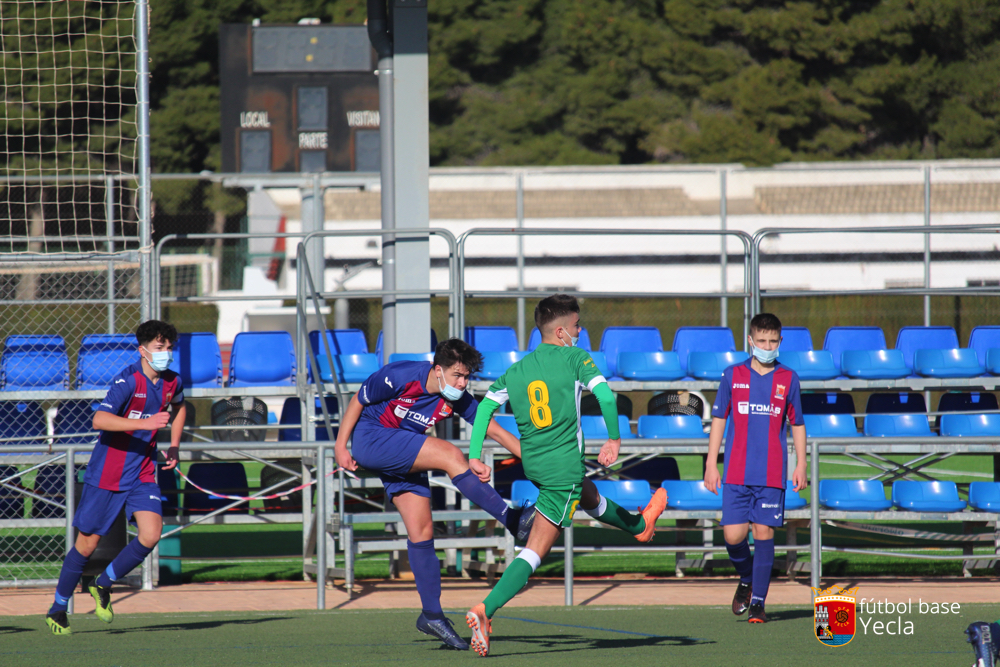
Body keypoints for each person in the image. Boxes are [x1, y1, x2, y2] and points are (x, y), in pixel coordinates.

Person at [463, 294, 667, 657]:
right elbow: (606, 397)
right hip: (562, 469)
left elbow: (484, 411)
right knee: (536, 550)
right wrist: (615, 438)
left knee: (588, 495)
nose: (580, 331)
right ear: (561, 332)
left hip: (537, 466)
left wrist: (476, 455)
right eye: (576, 326)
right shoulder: (576, 358)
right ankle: (485, 609)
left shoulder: (517, 370)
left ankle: (639, 526)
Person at [334, 338, 534, 651]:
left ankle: (431, 615)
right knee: (451, 455)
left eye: (467, 377)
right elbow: (359, 399)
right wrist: (340, 446)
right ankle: (511, 519)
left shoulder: (455, 395)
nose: (463, 383)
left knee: (422, 532)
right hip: (372, 439)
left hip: (403, 449)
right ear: (437, 370)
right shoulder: (401, 375)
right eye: (458, 375)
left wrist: (528, 456)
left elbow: (489, 425)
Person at [46, 320, 185, 635]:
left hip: (143, 470)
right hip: (108, 472)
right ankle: (57, 610)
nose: (166, 353)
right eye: (159, 348)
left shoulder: (172, 381)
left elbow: (180, 407)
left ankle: (103, 583)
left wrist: (174, 445)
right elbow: (99, 419)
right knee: (86, 545)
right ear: (143, 350)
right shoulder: (128, 380)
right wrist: (146, 423)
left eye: (169, 348)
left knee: (151, 535)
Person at [704, 312, 806, 624]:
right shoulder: (732, 375)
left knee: (763, 532)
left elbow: (797, 423)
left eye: (772, 341)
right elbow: (719, 419)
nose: (767, 345)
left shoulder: (789, 378)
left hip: (771, 474)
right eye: (761, 340)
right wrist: (711, 462)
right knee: (733, 536)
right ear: (750, 340)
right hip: (736, 472)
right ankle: (748, 579)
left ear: (780, 342)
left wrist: (801, 463)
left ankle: (759, 603)